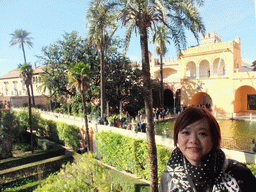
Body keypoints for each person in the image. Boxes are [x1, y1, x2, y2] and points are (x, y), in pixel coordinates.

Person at [159, 107, 256, 192]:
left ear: (214, 139)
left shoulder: (238, 174)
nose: (193, 140)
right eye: (186, 132)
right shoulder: (168, 177)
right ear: (176, 138)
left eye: (202, 134)